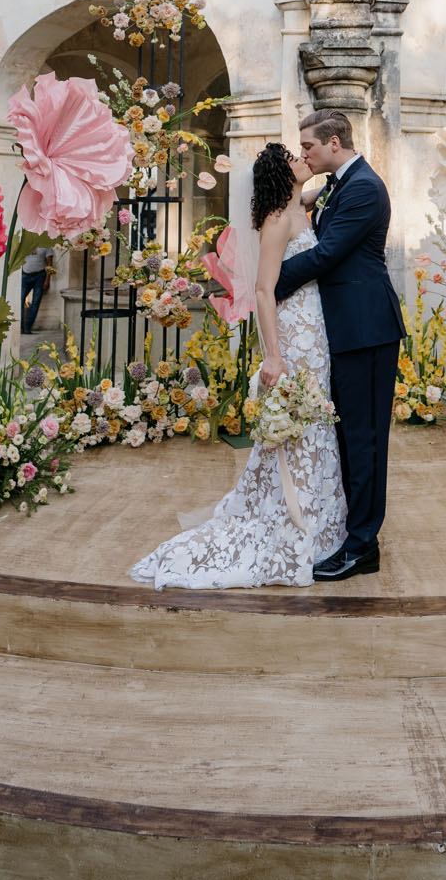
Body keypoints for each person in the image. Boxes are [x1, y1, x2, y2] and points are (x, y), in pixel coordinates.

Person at [129, 143, 346, 590]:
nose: (303, 159)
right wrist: (273, 355)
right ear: (281, 175)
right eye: (294, 159)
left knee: (317, 428)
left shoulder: (299, 206)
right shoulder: (275, 220)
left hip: (316, 336)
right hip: (291, 338)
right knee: (297, 429)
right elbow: (265, 291)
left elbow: (314, 191)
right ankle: (290, 522)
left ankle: (321, 522)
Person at [274, 109, 405, 583]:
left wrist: (268, 282)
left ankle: (362, 545)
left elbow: (327, 255)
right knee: (350, 436)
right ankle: (352, 531)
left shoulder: (365, 188)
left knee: (365, 439)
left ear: (333, 142)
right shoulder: (340, 184)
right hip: (346, 328)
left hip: (367, 328)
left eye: (308, 146)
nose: (303, 154)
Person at [20, 248, 52, 334]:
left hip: (40, 276)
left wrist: (47, 280)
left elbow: (49, 263)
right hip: (25, 276)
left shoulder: (46, 244)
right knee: (20, 300)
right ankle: (20, 326)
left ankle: (27, 327)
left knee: (36, 302)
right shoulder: (27, 242)